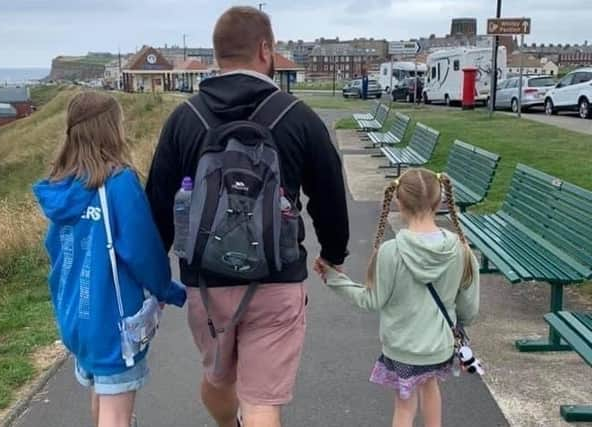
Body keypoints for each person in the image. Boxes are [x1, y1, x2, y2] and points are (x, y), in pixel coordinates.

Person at [146, 6, 349, 427]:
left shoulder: (185, 118)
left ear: (217, 54)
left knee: (218, 382)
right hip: (276, 279)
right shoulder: (297, 117)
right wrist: (333, 252)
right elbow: (329, 193)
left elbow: (158, 204)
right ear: (265, 49)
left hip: (205, 283)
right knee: (261, 404)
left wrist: (152, 277)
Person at [33, 91, 186, 427]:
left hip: (75, 313)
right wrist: (167, 289)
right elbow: (143, 250)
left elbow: (55, 248)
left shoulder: (59, 186)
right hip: (113, 321)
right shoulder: (118, 184)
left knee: (102, 397)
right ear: (112, 129)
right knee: (116, 414)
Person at [317, 168, 480, 427]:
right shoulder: (461, 251)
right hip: (439, 345)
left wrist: (333, 278)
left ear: (398, 202)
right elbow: (469, 310)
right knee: (431, 388)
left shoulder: (390, 252)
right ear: (439, 201)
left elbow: (370, 300)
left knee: (404, 408)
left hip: (402, 347)